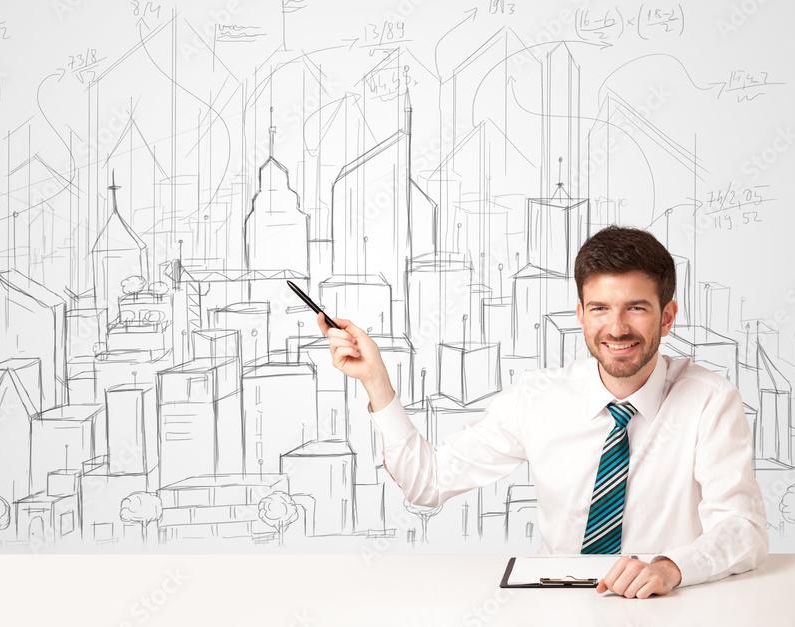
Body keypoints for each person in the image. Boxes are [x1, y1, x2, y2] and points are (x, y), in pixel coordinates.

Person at [316, 225, 768, 599]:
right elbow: (427, 482)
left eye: (636, 309)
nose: (617, 328)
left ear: (667, 317)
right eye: (600, 309)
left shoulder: (710, 400)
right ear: (580, 314)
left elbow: (743, 529)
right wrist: (376, 381)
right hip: (559, 607)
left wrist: (670, 567)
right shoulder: (537, 398)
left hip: (665, 607)